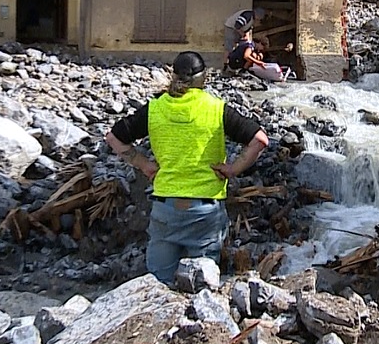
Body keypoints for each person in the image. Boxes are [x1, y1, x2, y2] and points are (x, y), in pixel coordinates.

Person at [104, 51, 269, 284]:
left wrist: (145, 165)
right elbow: (260, 140)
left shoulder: (155, 108)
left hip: (165, 208)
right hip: (206, 211)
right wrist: (233, 169)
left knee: (157, 284)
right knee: (202, 286)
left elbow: (113, 138)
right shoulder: (216, 109)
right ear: (204, 78)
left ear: (174, 76)